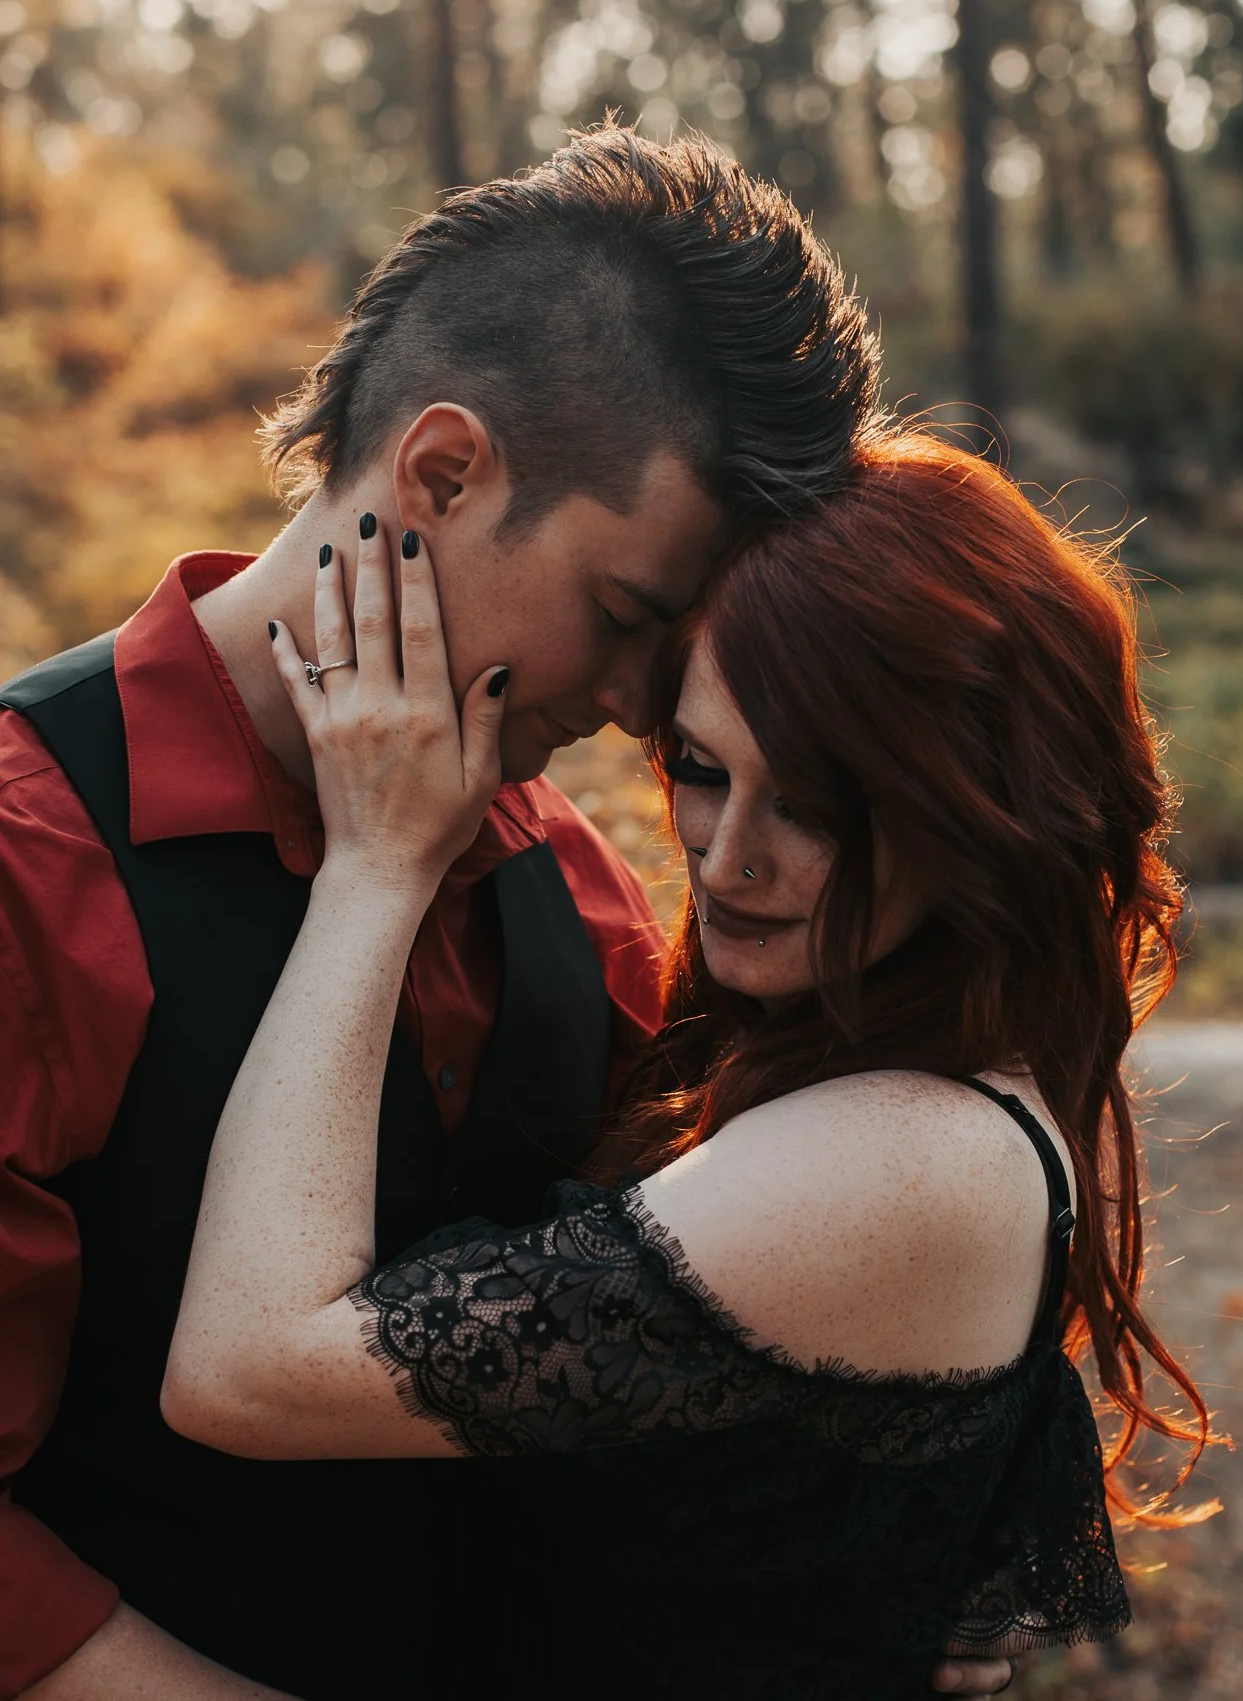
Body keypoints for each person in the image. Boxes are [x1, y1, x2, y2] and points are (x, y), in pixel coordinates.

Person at [0, 128, 1012, 1700]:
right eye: (624, 617)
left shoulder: (581, 893)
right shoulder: (25, 855)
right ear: (444, 473)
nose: (630, 708)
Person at [162, 431, 1213, 1700]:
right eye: (705, 771)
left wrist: (378, 867)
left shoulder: (909, 1157)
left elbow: (242, 1373)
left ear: (977, 811)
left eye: (818, 806)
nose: (724, 861)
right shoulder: (941, 1077)